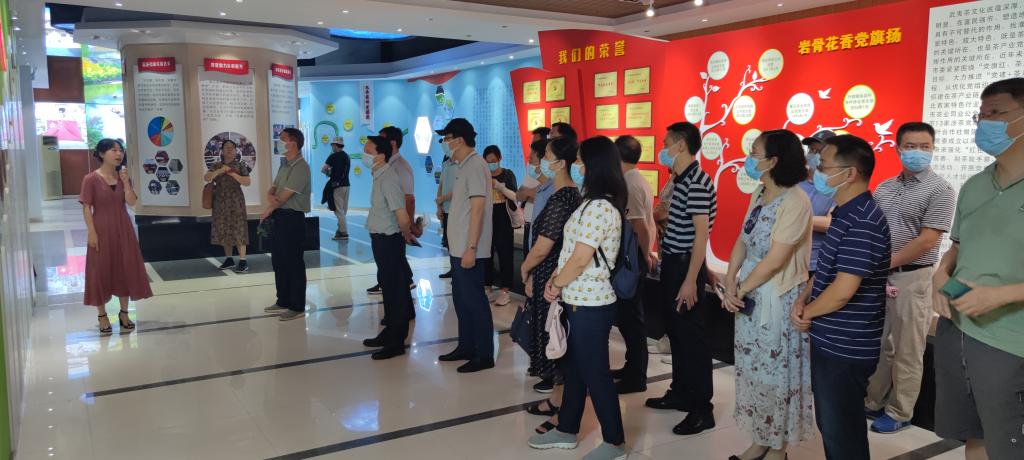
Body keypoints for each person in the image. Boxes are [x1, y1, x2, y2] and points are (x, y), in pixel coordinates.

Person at [932, 77, 1024, 460]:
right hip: (957, 330)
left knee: (1009, 444)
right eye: (981, 115)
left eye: (996, 113)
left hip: (1010, 341)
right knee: (974, 435)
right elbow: (957, 248)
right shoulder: (975, 185)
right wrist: (940, 275)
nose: (985, 123)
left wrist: (1002, 295)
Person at [790, 134, 891, 460]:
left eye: (824, 165)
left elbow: (843, 290)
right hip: (829, 338)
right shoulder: (845, 212)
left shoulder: (864, 220)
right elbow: (827, 270)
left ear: (850, 173)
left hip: (847, 345)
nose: (816, 170)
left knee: (841, 431)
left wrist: (807, 313)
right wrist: (803, 299)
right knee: (833, 425)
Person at [528, 136, 628, 460]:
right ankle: (567, 428)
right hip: (576, 300)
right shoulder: (589, 203)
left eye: (582, 161)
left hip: (592, 305)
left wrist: (556, 283)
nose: (578, 166)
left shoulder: (601, 208)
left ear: (595, 166)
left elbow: (581, 258)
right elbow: (572, 251)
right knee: (574, 369)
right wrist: (558, 283)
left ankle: (614, 442)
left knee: (596, 373)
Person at [723, 130, 814, 460]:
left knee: (776, 374)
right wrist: (730, 280)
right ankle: (759, 438)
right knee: (753, 370)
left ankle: (778, 447)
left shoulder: (796, 201)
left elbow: (777, 259)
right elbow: (743, 239)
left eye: (754, 152)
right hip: (748, 294)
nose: (749, 158)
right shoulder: (760, 192)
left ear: (773, 160)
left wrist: (741, 289)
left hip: (776, 297)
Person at [865, 122, 955, 433]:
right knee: (879, 344)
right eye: (911, 146)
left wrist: (884, 263)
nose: (918, 152)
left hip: (913, 278)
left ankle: (900, 411)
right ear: (898, 149)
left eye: (924, 147)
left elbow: (927, 241)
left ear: (933, 148)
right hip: (880, 276)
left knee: (908, 348)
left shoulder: (941, 190)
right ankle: (873, 400)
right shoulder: (884, 188)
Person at [645, 122, 718, 436]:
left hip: (684, 267)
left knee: (691, 338)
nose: (663, 149)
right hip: (675, 264)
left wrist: (692, 279)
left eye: (666, 143)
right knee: (676, 332)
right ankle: (681, 391)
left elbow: (701, 236)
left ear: (680, 145)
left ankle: (702, 408)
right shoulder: (681, 179)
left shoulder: (697, 182)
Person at [520, 137, 580, 397]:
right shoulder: (564, 194)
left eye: (546, 156)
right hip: (550, 269)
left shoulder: (563, 198)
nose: (541, 161)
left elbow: (544, 246)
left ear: (560, 163)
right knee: (550, 322)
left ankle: (555, 377)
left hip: (551, 271)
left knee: (551, 324)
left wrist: (526, 267)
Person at [436, 118, 495, 373]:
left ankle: (484, 354)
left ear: (459, 140)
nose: (444, 143)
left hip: (470, 249)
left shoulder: (475, 165)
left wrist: (471, 248)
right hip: (459, 247)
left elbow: (478, 209)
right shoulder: (463, 165)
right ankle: (467, 346)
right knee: (461, 300)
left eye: (446, 139)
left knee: (474, 301)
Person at [81, 139, 152, 334]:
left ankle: (124, 313)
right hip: (101, 229)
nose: (119, 154)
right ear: (101, 154)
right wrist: (91, 232)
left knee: (124, 267)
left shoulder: (123, 177)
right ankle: (102, 315)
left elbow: (131, 202)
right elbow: (86, 207)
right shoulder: (90, 179)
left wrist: (126, 182)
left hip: (123, 228)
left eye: (120, 150)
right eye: (113, 150)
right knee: (100, 270)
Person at [360, 135, 416, 360]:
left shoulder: (389, 178)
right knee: (388, 288)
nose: (364, 155)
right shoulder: (379, 176)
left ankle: (396, 341)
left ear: (380, 156)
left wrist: (407, 234)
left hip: (389, 241)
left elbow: (401, 214)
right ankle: (389, 331)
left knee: (396, 290)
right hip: (380, 240)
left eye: (368, 151)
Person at [611, 135, 654, 394]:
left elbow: (640, 226)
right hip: (633, 256)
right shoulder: (635, 179)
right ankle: (631, 367)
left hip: (632, 258)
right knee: (628, 319)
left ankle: (636, 376)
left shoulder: (630, 183)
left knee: (632, 319)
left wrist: (645, 255)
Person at [262, 128, 312, 322]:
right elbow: (271, 191)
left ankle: (297, 305)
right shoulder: (284, 165)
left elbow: (283, 197)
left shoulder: (301, 167)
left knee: (293, 263)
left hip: (292, 218)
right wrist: (272, 202)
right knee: (279, 261)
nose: (279, 141)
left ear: (294, 143)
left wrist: (271, 204)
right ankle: (282, 299)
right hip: (279, 216)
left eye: (283, 139)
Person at [367, 126, 418, 296]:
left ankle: (404, 283)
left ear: (392, 143)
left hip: (393, 229)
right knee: (391, 268)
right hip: (386, 228)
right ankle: (389, 283)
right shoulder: (386, 166)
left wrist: (408, 227)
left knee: (395, 267)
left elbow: (408, 199)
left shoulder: (400, 167)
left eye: (382, 139)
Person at [205, 139, 253, 273]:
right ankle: (229, 259)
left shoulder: (240, 165)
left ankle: (243, 261)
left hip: (236, 200)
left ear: (236, 150)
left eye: (232, 147)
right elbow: (207, 177)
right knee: (223, 228)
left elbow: (247, 182)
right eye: (226, 147)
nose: (229, 149)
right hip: (220, 201)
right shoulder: (217, 165)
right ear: (222, 150)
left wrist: (233, 173)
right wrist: (220, 170)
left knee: (239, 228)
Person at [484, 145, 518, 307]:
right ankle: (488, 288)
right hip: (486, 218)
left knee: (505, 254)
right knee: (486, 254)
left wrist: (499, 186)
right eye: (488, 161)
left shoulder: (507, 174)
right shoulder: (482, 175)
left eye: (493, 160)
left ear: (499, 159)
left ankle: (505, 291)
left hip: (503, 217)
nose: (491, 164)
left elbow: (515, 196)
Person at [800, 130, 836, 277]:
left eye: (819, 151)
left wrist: (794, 217)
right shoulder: (793, 181)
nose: (813, 155)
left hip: (816, 264)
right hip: (787, 259)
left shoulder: (835, 186)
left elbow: (830, 223)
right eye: (811, 150)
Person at [321, 136, 351, 241]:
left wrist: (329, 172)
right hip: (346, 185)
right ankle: (340, 230)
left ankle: (343, 233)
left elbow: (323, 169)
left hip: (337, 186)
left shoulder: (333, 156)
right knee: (343, 210)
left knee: (338, 211)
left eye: (332, 145)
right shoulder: (346, 156)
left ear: (335, 145)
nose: (332, 147)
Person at [519, 141, 546, 254]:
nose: (529, 160)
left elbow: (545, 197)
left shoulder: (552, 179)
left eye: (531, 157)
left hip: (542, 226)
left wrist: (529, 194)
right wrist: (531, 194)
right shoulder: (530, 173)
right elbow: (519, 195)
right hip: (528, 223)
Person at [436, 152, 457, 278]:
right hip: (446, 209)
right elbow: (441, 186)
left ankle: (458, 270)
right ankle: (453, 268)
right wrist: (439, 206)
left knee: (457, 242)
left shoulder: (462, 165)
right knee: (449, 242)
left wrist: (443, 198)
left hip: (458, 210)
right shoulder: (446, 164)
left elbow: (460, 189)